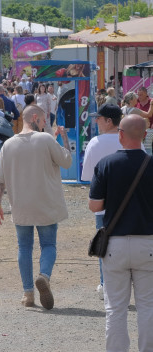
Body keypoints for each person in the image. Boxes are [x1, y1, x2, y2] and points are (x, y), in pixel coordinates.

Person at [88, 114, 153, 352]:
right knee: (148, 306)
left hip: (114, 242)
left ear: (121, 135)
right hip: (148, 242)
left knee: (115, 307)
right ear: (145, 136)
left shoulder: (106, 164)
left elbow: (95, 206)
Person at [0, 105, 72, 309]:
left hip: (20, 204)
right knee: (49, 245)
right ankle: (44, 276)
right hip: (46, 202)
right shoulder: (45, 139)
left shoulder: (8, 144)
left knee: (24, 247)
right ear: (35, 118)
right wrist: (63, 138)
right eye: (44, 120)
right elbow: (66, 161)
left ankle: (28, 293)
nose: (45, 124)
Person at [81, 105, 124, 300]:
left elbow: (88, 177)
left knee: (104, 246)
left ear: (108, 121)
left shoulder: (95, 143)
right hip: (130, 204)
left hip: (102, 205)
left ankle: (105, 284)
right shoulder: (131, 140)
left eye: (99, 118)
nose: (96, 121)